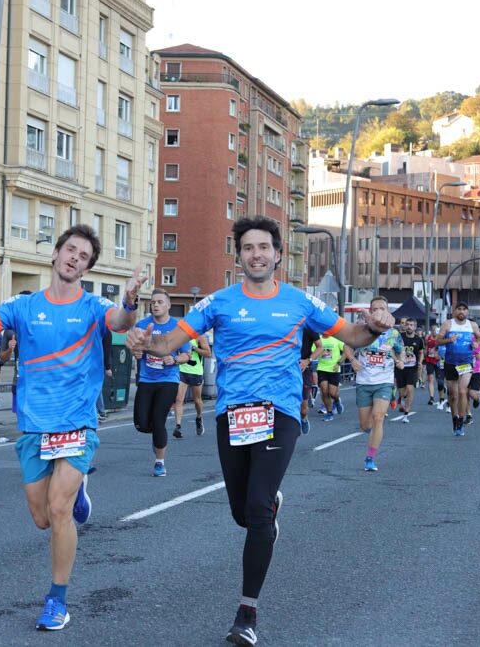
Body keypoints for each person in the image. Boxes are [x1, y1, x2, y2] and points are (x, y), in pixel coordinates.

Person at [125, 216, 395, 646]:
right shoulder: (217, 303)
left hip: (280, 411)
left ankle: (247, 613)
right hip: (232, 412)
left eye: (264, 247)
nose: (256, 254)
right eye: (248, 248)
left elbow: (354, 335)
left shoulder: (300, 302)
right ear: (239, 256)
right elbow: (167, 344)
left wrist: (377, 325)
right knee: (242, 513)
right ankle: (268, 509)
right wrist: (142, 340)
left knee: (255, 509)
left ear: (278, 255)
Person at [0, 224, 144, 631]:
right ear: (55, 255)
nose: (75, 259)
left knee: (58, 509)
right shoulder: (23, 307)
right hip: (34, 425)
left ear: (86, 267)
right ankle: (77, 495)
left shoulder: (94, 307)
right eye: (70, 251)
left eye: (84, 257)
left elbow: (122, 321)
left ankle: (57, 600)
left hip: (77, 421)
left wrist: (131, 299)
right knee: (42, 518)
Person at [130, 288, 190, 476]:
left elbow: (187, 355)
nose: (155, 305)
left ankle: (160, 462)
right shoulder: (142, 324)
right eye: (153, 302)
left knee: (158, 420)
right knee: (141, 423)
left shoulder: (178, 327)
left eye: (160, 302)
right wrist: (136, 352)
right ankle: (157, 438)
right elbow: (135, 348)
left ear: (168, 305)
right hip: (147, 379)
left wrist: (174, 360)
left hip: (168, 379)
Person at [349, 297, 404, 471]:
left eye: (382, 308)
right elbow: (347, 346)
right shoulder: (361, 329)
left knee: (378, 417)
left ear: (388, 311)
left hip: (384, 381)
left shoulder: (394, 334)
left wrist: (401, 361)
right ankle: (373, 433)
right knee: (366, 425)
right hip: (364, 381)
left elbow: (401, 351)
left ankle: (370, 458)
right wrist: (352, 360)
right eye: (375, 308)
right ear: (370, 311)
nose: (379, 311)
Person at [436, 302, 480, 436]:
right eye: (459, 309)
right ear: (455, 311)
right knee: (453, 395)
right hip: (450, 362)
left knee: (462, 391)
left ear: (467, 312)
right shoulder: (448, 324)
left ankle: (461, 419)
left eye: (464, 309)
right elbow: (438, 340)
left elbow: (479, 337)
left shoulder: (472, 325)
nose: (461, 311)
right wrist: (449, 340)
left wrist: (476, 344)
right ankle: (454, 418)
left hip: (466, 363)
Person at [176, 333, 212, 436]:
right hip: (182, 370)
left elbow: (208, 354)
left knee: (197, 401)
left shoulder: (200, 337)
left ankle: (199, 418)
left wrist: (194, 348)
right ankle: (178, 427)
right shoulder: (182, 336)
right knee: (179, 399)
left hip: (196, 372)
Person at [394, 317, 424, 422]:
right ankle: (401, 398)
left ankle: (406, 413)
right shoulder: (399, 338)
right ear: (404, 326)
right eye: (407, 325)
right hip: (400, 368)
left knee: (410, 388)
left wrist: (420, 362)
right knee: (403, 392)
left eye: (411, 325)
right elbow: (392, 350)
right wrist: (396, 360)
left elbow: (421, 352)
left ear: (415, 327)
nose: (409, 327)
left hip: (412, 368)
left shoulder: (418, 340)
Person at [315, 334, 351, 422]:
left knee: (332, 393)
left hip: (334, 369)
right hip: (322, 368)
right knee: (324, 391)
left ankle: (337, 400)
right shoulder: (318, 339)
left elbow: (346, 352)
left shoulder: (336, 339)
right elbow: (313, 351)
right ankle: (329, 412)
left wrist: (339, 363)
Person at [299, 327, 320, 435]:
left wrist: (308, 360)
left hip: (304, 369)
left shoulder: (309, 328)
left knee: (303, 409)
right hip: (287, 369)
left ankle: (303, 418)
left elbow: (320, 347)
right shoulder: (285, 325)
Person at [425, 323, 446, 408]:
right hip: (429, 360)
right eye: (432, 330)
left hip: (438, 361)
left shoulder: (441, 339)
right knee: (430, 378)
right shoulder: (428, 337)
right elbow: (426, 347)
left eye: (435, 330)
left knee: (439, 381)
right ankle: (431, 397)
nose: (434, 332)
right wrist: (425, 352)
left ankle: (441, 397)